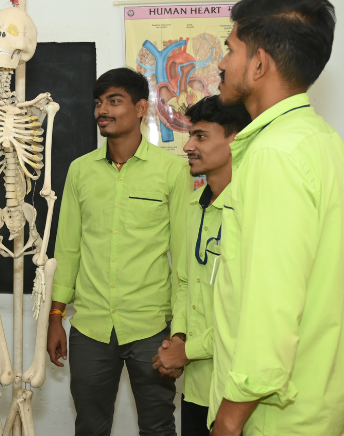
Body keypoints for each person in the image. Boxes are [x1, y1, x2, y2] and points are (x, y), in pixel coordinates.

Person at [207, 0, 344, 436]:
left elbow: (272, 304)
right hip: (313, 406)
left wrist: (229, 420)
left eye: (230, 49)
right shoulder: (320, 138)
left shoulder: (275, 154)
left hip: (270, 419)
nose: (221, 63)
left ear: (259, 64)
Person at [47, 67, 193, 436]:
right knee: (90, 427)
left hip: (150, 327)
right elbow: (67, 248)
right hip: (90, 326)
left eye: (114, 101)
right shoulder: (80, 171)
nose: (102, 110)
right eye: (98, 102)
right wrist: (55, 316)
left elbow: (184, 259)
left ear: (141, 108)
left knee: (158, 427)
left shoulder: (173, 171)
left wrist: (181, 332)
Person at [151, 96, 251, 436]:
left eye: (201, 136)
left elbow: (249, 310)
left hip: (240, 389)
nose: (188, 146)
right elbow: (184, 282)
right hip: (196, 385)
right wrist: (179, 338)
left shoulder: (252, 209)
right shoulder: (195, 205)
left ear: (235, 139)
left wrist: (187, 351)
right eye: (190, 135)